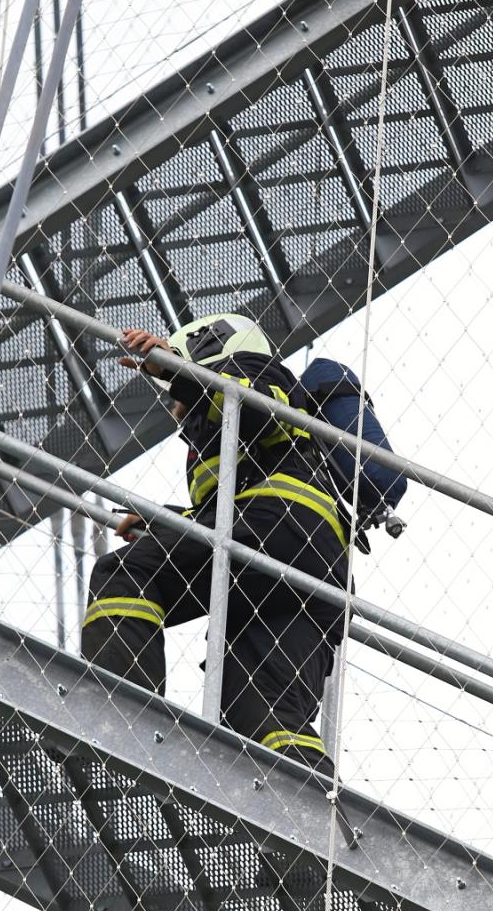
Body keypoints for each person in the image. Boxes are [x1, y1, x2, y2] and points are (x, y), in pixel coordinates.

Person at [80, 314, 348, 774]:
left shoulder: (253, 370)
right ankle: (311, 824)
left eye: (177, 390)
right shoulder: (220, 436)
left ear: (208, 350)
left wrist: (177, 373)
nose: (173, 408)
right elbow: (227, 511)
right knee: (257, 703)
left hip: (278, 525)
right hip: (313, 566)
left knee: (123, 573)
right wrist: (165, 522)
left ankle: (122, 715)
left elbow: (254, 408)